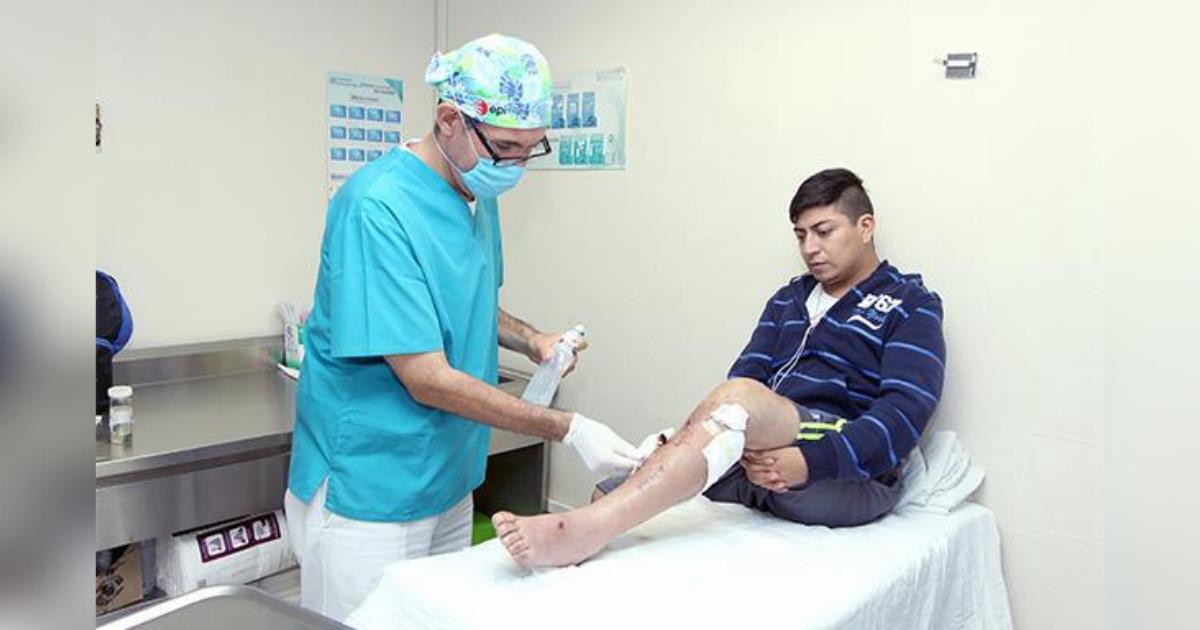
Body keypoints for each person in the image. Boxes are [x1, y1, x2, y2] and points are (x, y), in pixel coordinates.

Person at [284, 34, 640, 620]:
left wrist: (534, 340)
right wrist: (568, 427)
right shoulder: (376, 207)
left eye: (530, 150)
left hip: (447, 478)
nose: (517, 167)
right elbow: (425, 378)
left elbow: (469, 303)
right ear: (449, 120)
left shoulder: (476, 190)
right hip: (369, 486)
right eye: (505, 148)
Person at [493, 168, 946, 568]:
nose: (810, 248)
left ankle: (584, 531)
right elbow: (746, 377)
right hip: (759, 461)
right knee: (613, 488)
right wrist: (695, 442)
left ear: (865, 227)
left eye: (824, 231)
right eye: (800, 235)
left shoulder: (910, 305)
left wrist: (809, 461)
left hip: (842, 475)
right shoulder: (790, 300)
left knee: (740, 402)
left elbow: (902, 416)